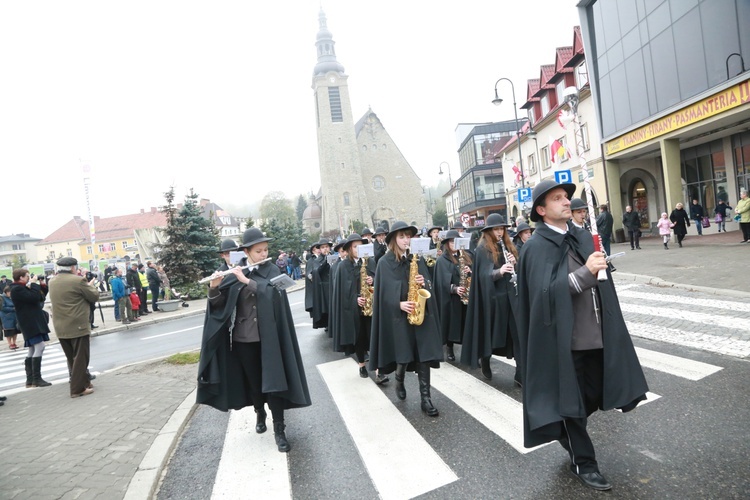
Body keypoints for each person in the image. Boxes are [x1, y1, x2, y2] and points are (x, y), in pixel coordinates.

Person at [516, 179, 648, 492]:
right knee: (571, 406)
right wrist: (584, 274)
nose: (566, 202)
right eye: (557, 199)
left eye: (566, 197)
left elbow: (599, 278)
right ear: (541, 210)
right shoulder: (535, 247)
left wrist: (601, 266)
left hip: (596, 335)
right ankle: (584, 462)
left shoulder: (580, 236)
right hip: (565, 342)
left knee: (591, 397)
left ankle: (566, 432)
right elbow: (543, 297)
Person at [197, 227, 311, 453]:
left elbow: (273, 295)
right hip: (243, 340)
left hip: (270, 340)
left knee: (275, 384)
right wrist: (214, 288)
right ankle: (259, 411)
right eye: (258, 251)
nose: (262, 254)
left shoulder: (271, 271)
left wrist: (246, 281)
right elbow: (218, 308)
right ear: (247, 252)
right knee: (255, 383)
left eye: (265, 250)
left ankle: (280, 429)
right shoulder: (235, 272)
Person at [368, 221, 443, 417]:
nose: (406, 240)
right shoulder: (384, 263)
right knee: (403, 355)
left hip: (420, 313)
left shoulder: (416, 259)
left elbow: (429, 284)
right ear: (393, 240)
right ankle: (399, 378)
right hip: (399, 317)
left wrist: (423, 281)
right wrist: (398, 303)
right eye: (401, 236)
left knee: (424, 356)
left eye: (408, 236)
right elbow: (381, 294)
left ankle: (425, 398)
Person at [460, 214, 521, 384]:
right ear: (489, 231)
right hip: (493, 299)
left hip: (511, 297)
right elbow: (482, 275)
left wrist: (515, 261)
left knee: (516, 334)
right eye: (496, 229)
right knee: (490, 333)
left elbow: (521, 268)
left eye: (502, 229)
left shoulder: (509, 246)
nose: (500, 232)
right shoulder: (482, 249)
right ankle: (485, 358)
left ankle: (521, 372)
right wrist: (499, 271)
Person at [48, 257, 100, 398]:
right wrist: (91, 284)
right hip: (77, 324)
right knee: (81, 357)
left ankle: (84, 382)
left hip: (60, 325)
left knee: (72, 357)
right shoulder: (77, 281)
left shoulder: (52, 281)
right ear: (73, 267)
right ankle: (77, 389)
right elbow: (94, 296)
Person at [331, 234, 374, 377]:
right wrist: (355, 300)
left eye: (360, 246)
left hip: (371, 305)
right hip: (355, 309)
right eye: (355, 247)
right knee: (359, 337)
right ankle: (362, 364)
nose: (358, 249)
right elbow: (341, 291)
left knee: (374, 335)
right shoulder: (343, 266)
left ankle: (379, 369)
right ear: (349, 249)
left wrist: (372, 279)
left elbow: (380, 280)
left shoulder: (369, 262)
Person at [10, 268, 52, 389]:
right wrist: (33, 284)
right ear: (21, 277)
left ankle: (30, 379)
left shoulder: (21, 288)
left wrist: (42, 285)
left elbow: (39, 298)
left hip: (31, 321)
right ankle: (36, 378)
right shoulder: (17, 289)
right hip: (30, 322)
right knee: (40, 346)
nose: (29, 278)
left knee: (33, 349)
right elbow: (33, 298)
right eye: (27, 276)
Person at [433, 230, 470, 362]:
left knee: (466, 323)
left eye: (456, 241)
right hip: (451, 298)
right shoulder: (442, 260)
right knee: (451, 323)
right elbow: (440, 281)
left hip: (465, 295)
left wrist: (469, 270)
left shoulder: (465, 256)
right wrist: (454, 289)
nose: (454, 243)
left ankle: (469, 350)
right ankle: (449, 347)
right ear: (447, 244)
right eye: (451, 241)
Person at [311, 239, 332, 330]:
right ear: (320, 249)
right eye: (323, 247)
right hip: (324, 287)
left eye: (326, 247)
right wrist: (325, 262)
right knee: (327, 307)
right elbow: (317, 271)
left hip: (333, 284)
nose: (325, 249)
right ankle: (328, 324)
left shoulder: (334, 257)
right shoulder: (317, 260)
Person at [304, 241, 322, 317]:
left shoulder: (322, 257)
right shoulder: (311, 260)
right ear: (313, 250)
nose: (318, 250)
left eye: (319, 248)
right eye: (316, 248)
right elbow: (309, 274)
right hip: (316, 285)